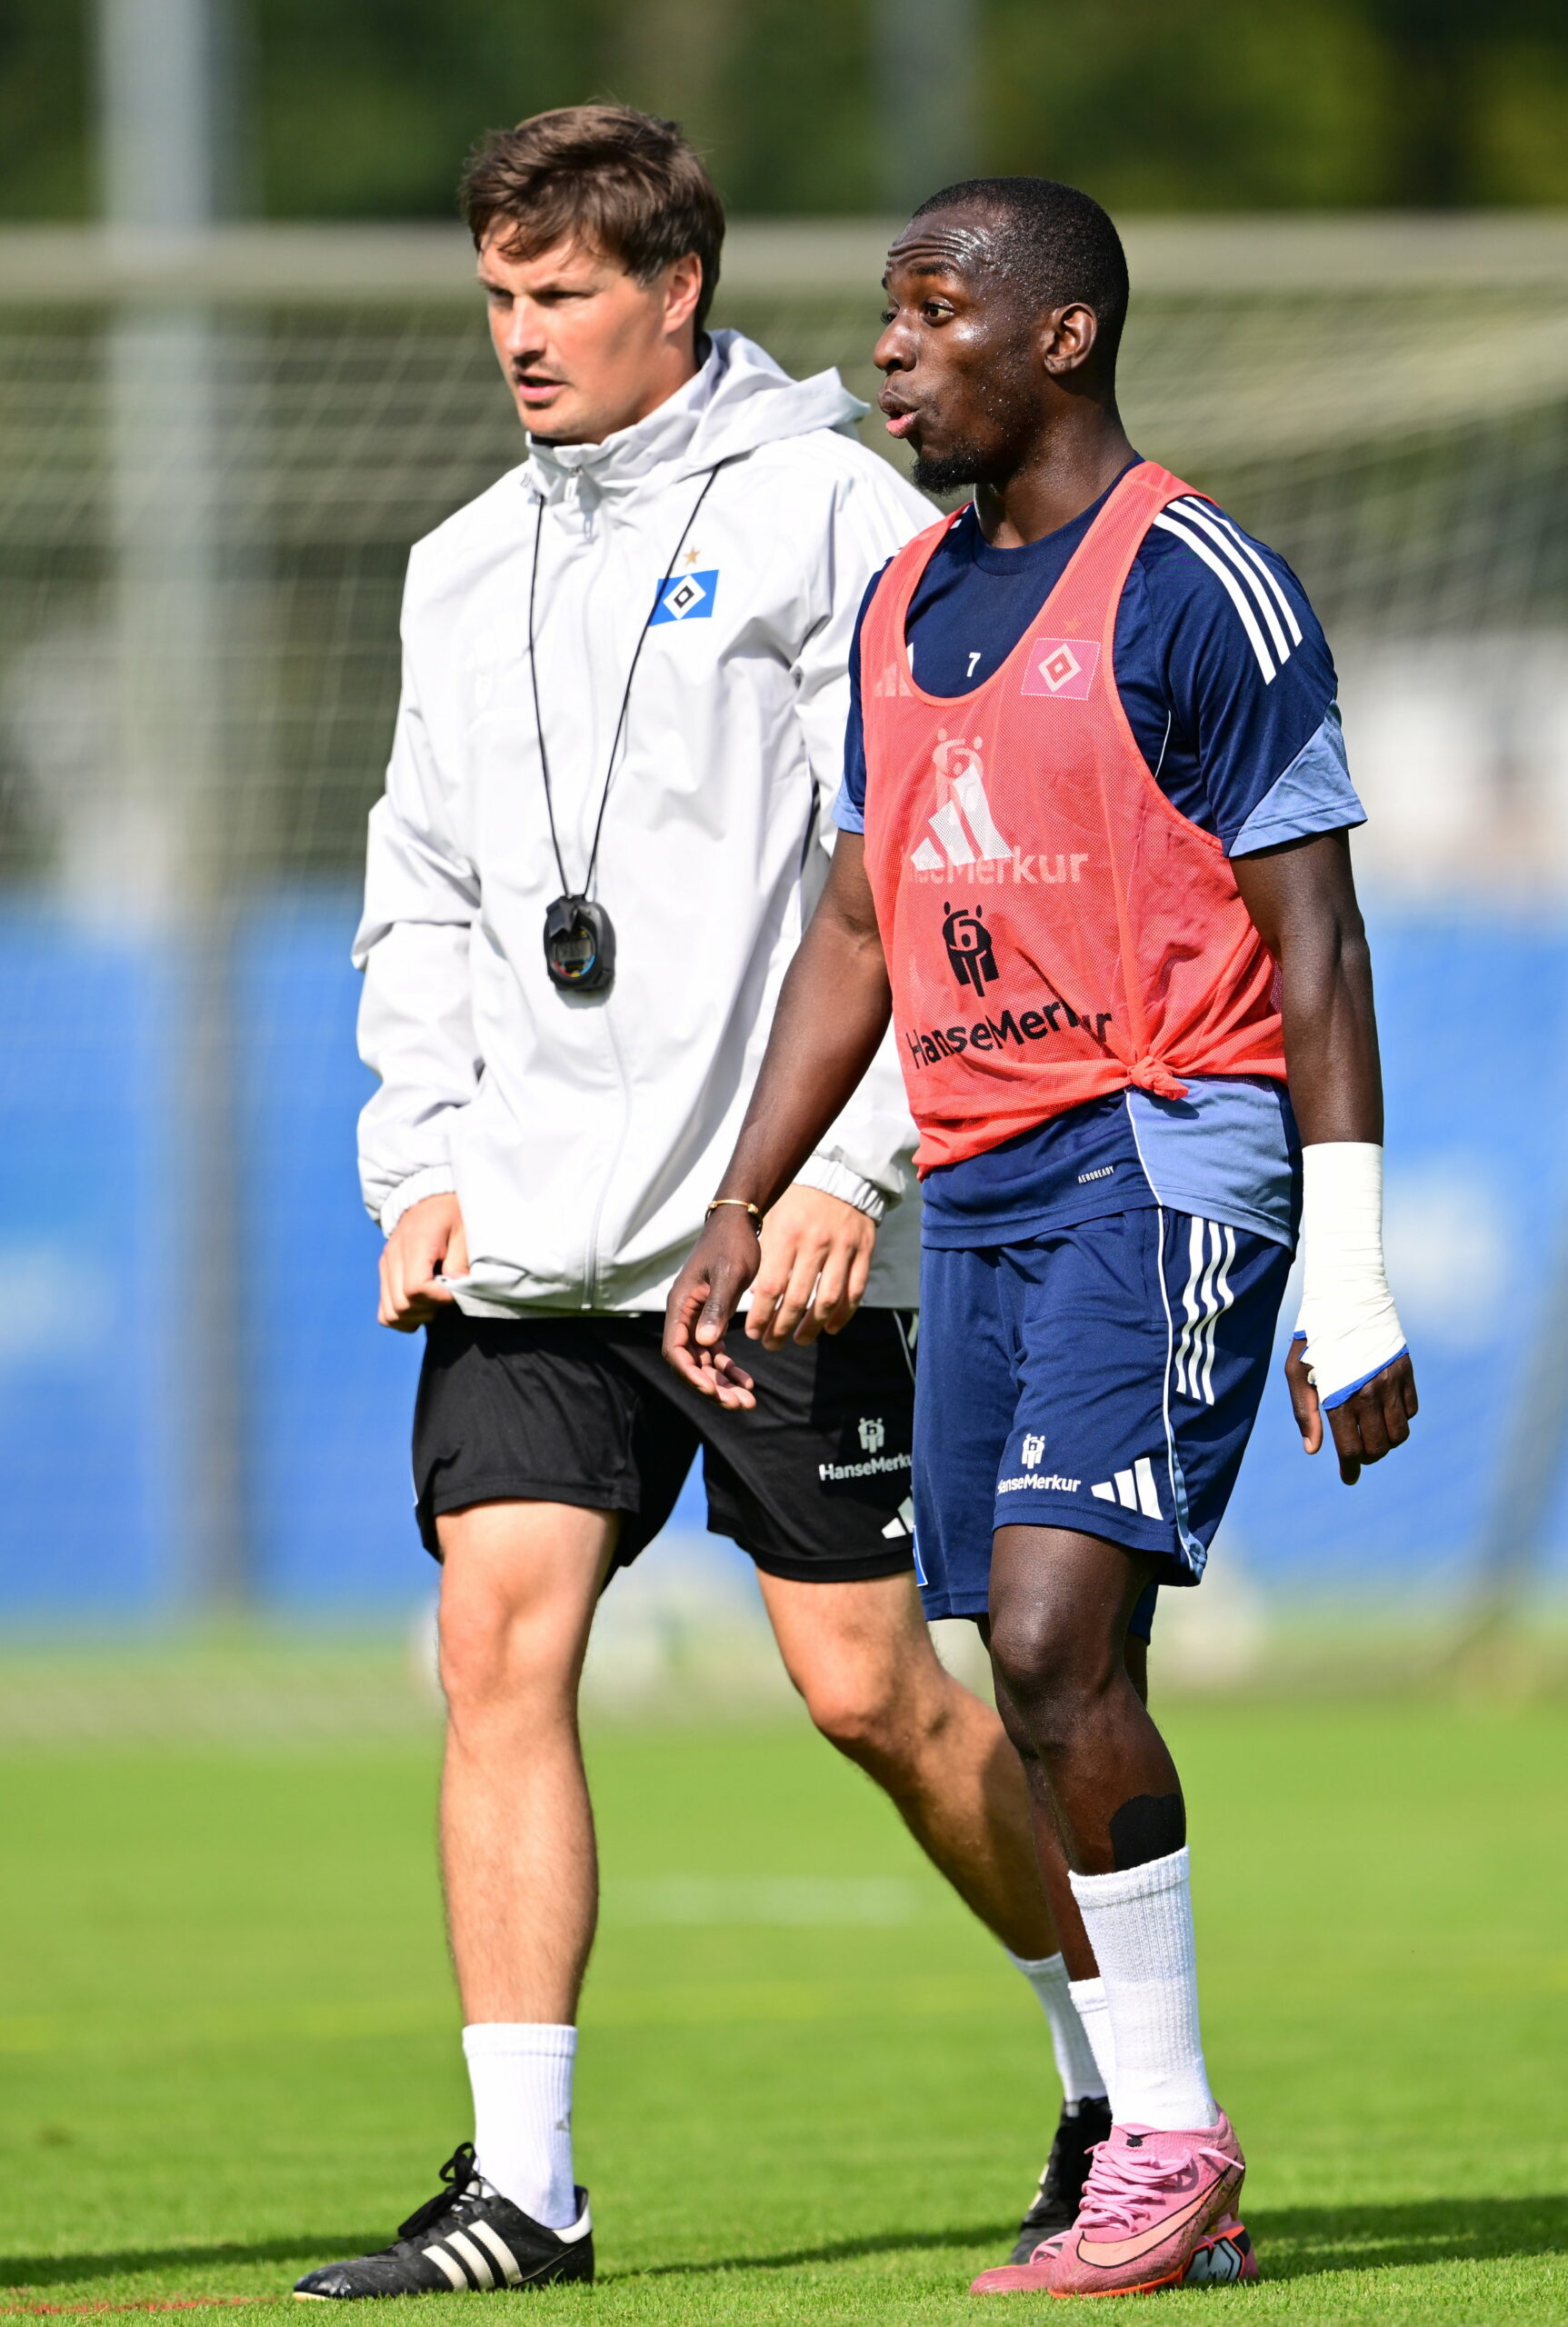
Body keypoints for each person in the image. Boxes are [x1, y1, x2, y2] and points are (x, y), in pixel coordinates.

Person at [296, 117, 1128, 2303]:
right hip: (531, 1237)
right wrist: (423, 1162)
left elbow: (925, 866)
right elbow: (427, 892)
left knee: (870, 1693)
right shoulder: (456, 560)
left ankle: (1119, 2086)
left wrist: (851, 1173)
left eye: (559, 295)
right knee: (499, 1644)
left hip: (761, 1232)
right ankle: (525, 2184)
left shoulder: (836, 512)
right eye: (497, 297)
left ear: (674, 290)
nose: (519, 340)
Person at [664, 175, 1419, 2300]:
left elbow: (1318, 944)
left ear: (1058, 334)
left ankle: (1160, 2142)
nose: (890, 351)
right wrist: (748, 1193)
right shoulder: (902, 606)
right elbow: (852, 926)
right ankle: (1169, 2160)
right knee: (1032, 1679)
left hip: (1162, 1151)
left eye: (930, 313)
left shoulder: (1197, 584)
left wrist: (1340, 1263)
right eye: (886, 315)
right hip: (981, 1182)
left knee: (1044, 1642)